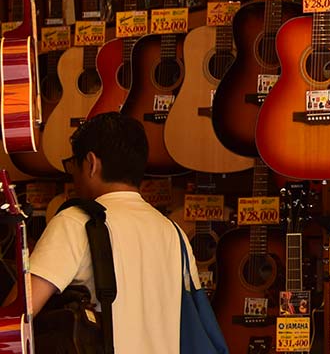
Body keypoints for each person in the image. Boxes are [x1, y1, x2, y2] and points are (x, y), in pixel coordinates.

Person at [28, 113, 203, 354]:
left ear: (91, 163)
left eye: (73, 165)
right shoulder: (174, 232)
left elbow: (21, 312)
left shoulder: (76, 222)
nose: (73, 175)